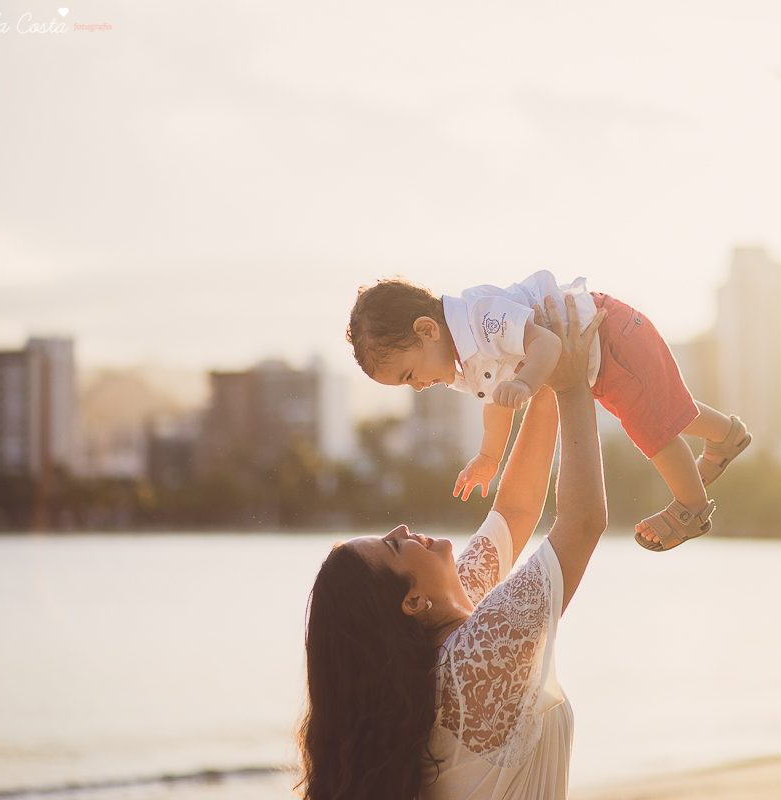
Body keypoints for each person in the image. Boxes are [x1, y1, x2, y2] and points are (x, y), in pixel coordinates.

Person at [301, 296, 608, 799]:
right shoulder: (475, 657)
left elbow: (513, 512)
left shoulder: (447, 633)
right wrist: (574, 387)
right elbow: (582, 524)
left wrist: (548, 375)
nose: (401, 528)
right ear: (413, 602)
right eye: (394, 547)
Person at [347, 271, 751, 552]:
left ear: (426, 330)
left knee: (651, 426)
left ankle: (692, 508)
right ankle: (726, 436)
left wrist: (525, 383)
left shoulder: (481, 319)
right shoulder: (463, 359)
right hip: (598, 358)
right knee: (664, 406)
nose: (417, 386)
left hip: (610, 335)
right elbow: (495, 403)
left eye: (409, 374)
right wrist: (490, 458)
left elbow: (546, 345)